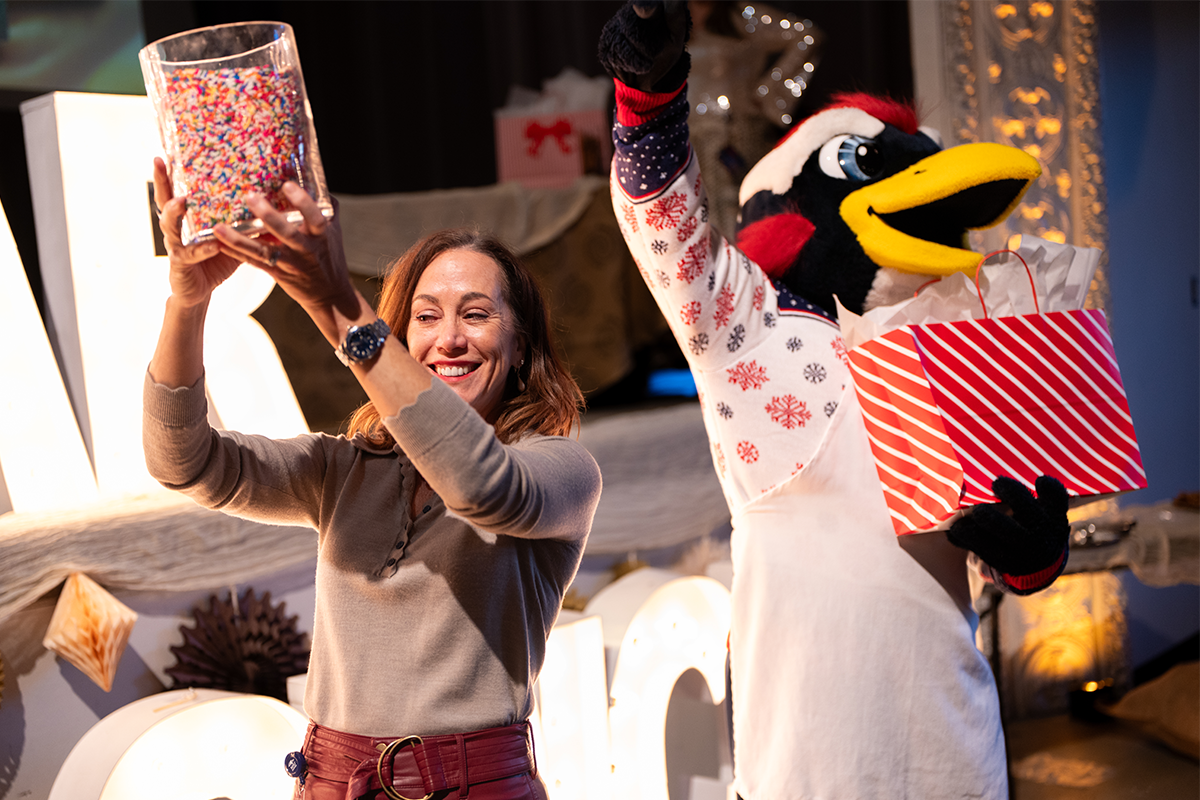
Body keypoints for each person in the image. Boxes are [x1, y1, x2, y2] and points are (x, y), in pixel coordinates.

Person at [143, 157, 602, 800]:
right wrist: (186, 304)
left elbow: (481, 486)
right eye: (425, 316)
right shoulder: (345, 469)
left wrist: (342, 310)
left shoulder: (558, 468)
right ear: (403, 335)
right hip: (334, 782)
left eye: (475, 315)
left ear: (521, 345)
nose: (449, 339)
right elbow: (184, 463)